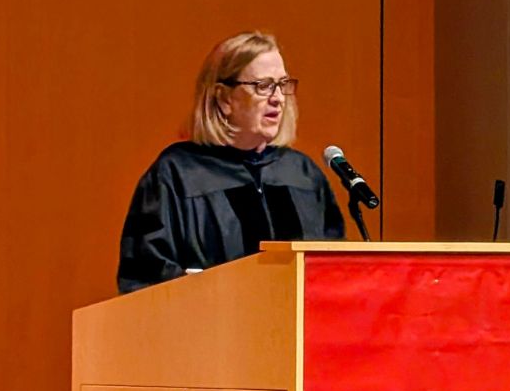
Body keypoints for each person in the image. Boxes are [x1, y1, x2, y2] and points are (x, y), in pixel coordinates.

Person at [117, 31, 345, 294]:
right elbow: (145, 276)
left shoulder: (302, 174)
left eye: (282, 85)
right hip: (212, 331)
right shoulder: (178, 175)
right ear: (224, 99)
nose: (278, 98)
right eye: (263, 86)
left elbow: (332, 271)